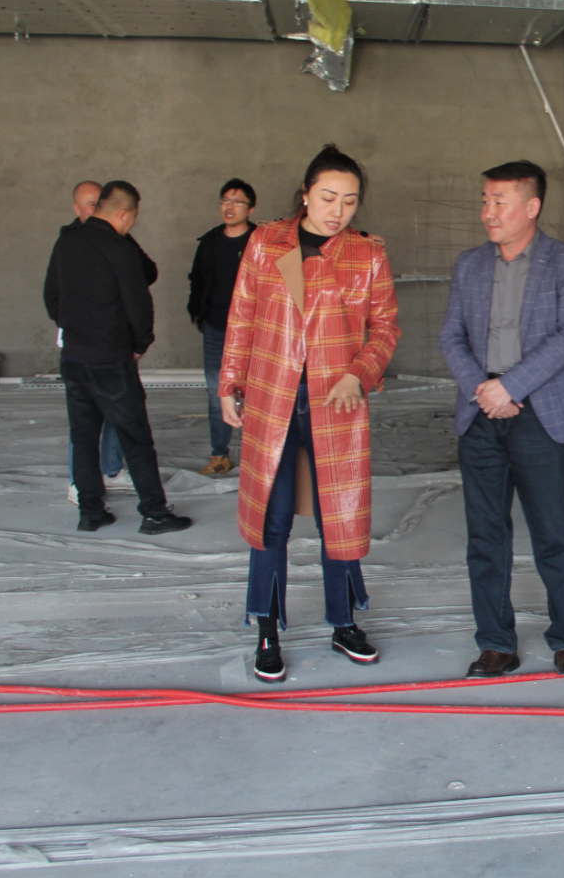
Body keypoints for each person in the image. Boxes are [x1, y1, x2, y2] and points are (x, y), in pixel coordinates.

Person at [219, 146, 400, 684]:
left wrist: (359, 373)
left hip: (335, 402)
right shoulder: (266, 242)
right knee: (270, 520)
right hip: (272, 396)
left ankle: (344, 623)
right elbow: (242, 316)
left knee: (337, 516)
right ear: (305, 194)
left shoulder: (367, 254)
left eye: (349, 200)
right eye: (327, 197)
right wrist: (229, 383)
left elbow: (385, 327)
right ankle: (266, 629)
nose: (337, 211)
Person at [439, 160, 564, 680]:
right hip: (481, 412)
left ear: (532, 206)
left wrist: (511, 386)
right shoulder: (469, 264)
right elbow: (451, 336)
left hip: (541, 416)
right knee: (485, 537)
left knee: (555, 534)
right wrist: (484, 391)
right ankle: (495, 644)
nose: (488, 212)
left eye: (499, 201)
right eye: (484, 200)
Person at [44, 181, 192, 536]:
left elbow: (51, 296)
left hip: (74, 357)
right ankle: (155, 514)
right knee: (135, 438)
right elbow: (139, 305)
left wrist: (73, 328)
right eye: (133, 219)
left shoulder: (66, 241)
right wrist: (140, 343)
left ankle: (91, 512)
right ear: (124, 213)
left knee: (84, 438)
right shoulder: (119, 249)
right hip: (111, 359)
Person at [61, 180, 129, 504]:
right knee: (84, 420)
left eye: (100, 202)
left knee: (118, 410)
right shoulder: (70, 242)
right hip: (82, 347)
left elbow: (144, 274)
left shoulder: (119, 239)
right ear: (77, 209)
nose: (97, 208)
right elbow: (53, 296)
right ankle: (80, 481)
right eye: (90, 204)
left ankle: (112, 469)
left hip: (114, 346)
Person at [188, 178, 259, 476]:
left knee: (258, 392)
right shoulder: (210, 242)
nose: (230, 207)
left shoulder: (260, 241)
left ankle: (259, 457)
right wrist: (197, 312)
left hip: (255, 330)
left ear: (250, 209)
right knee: (218, 393)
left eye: (238, 201)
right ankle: (220, 455)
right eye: (225, 200)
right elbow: (197, 279)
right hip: (217, 329)